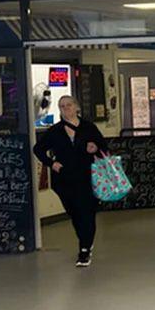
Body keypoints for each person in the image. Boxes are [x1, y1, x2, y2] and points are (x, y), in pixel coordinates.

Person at [32, 95, 108, 267]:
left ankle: (84, 249)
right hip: (65, 178)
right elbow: (38, 149)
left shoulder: (88, 128)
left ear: (76, 107)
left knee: (87, 212)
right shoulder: (55, 130)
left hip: (87, 176)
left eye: (68, 105)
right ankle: (85, 240)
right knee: (74, 213)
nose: (65, 108)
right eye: (61, 106)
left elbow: (103, 145)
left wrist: (95, 148)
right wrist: (52, 163)